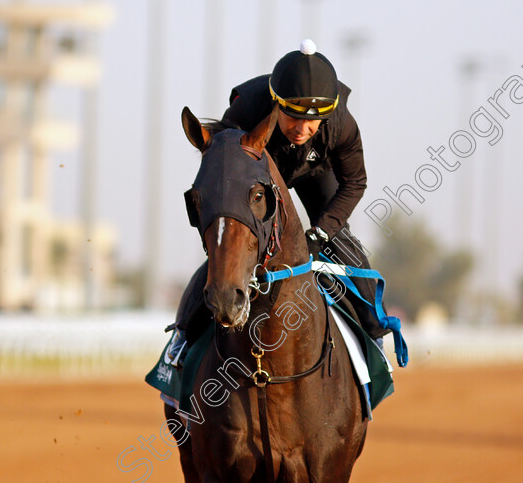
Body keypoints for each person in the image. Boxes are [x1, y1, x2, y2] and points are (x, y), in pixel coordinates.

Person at [167, 39, 390, 366]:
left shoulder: (342, 123)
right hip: (258, 178)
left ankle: (375, 341)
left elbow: (355, 182)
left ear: (327, 114)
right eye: (292, 118)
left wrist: (322, 232)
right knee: (228, 248)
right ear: (275, 105)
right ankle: (183, 338)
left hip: (316, 175)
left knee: (346, 248)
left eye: (312, 122)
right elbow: (223, 172)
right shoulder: (244, 114)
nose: (302, 129)